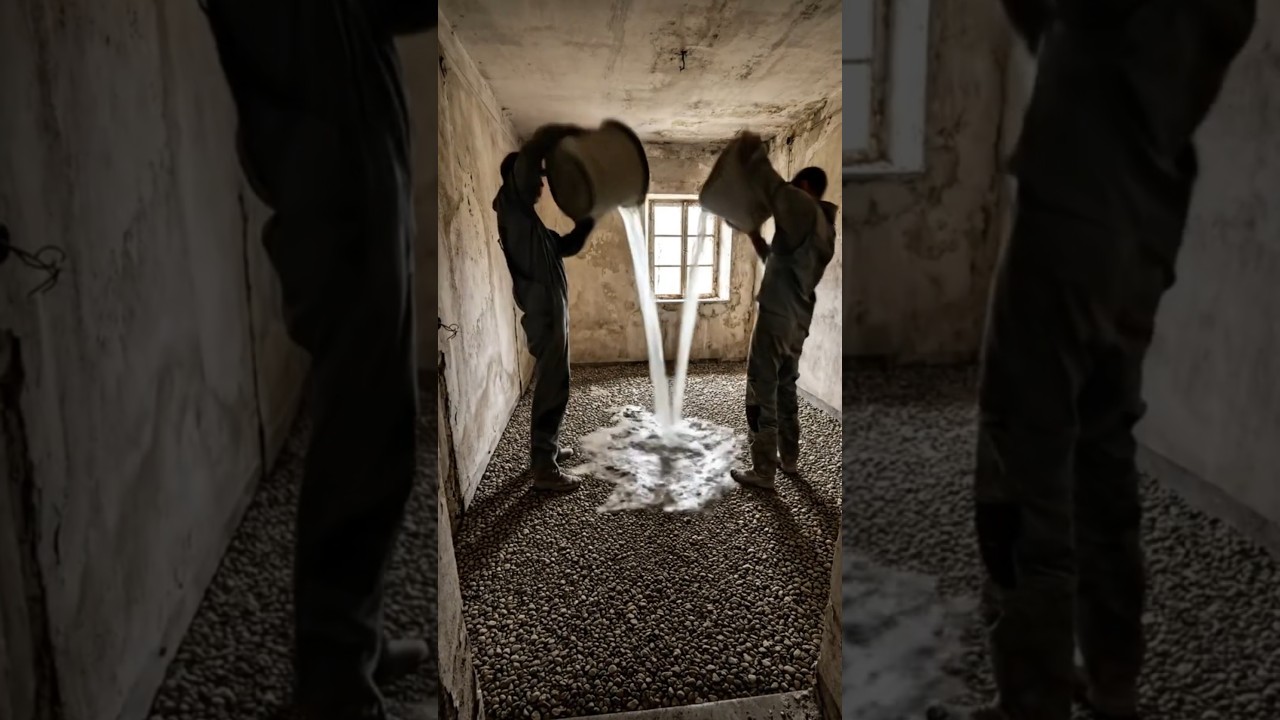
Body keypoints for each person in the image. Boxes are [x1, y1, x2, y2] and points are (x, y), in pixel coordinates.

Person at [928, 1, 1256, 719]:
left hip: (1072, 211)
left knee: (1023, 470)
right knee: (1102, 461)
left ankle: (1033, 700)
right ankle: (1113, 687)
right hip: (1146, 228)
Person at [199, 1, 436, 719]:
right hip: (337, 178)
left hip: (360, 164)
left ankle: (350, 647)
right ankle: (334, 685)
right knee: (361, 432)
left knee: (382, 422)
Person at [728, 134, 838, 491]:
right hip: (798, 319)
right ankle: (789, 458)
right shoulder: (823, 229)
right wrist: (754, 234)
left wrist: (748, 151)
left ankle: (763, 470)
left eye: (795, 189)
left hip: (777, 316)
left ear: (804, 187)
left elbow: (772, 186)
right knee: (786, 384)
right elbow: (779, 264)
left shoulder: (802, 210)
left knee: (762, 387)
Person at [492, 126, 598, 492]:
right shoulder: (513, 211)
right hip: (544, 313)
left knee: (558, 383)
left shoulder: (531, 225)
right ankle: (543, 468)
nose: (542, 183)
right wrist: (560, 133)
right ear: (517, 180)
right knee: (553, 385)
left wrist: (588, 221)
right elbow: (532, 151)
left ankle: (546, 451)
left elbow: (565, 246)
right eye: (535, 177)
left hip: (553, 312)